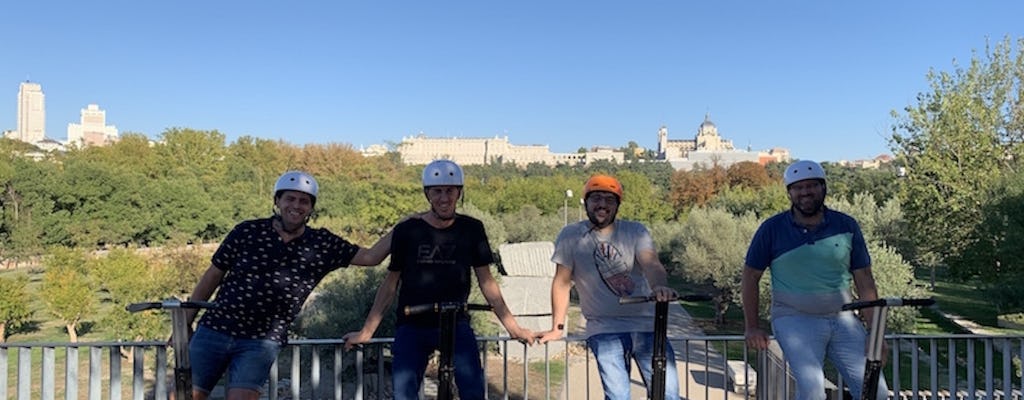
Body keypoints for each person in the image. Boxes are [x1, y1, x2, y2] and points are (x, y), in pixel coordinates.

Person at [185, 170, 396, 400]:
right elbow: (212, 276)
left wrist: (403, 227)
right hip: (215, 329)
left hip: (261, 341)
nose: (296, 205)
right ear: (277, 201)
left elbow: (370, 257)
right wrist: (185, 322)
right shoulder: (247, 231)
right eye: (290, 198)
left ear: (311, 208)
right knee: (186, 396)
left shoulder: (322, 244)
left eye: (304, 201)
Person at [342, 159, 535, 400]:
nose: (444, 198)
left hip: (456, 324)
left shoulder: (472, 229)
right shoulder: (408, 230)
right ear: (427, 194)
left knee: (474, 391)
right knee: (403, 394)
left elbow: (487, 282)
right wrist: (367, 331)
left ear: (459, 193)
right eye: (437, 191)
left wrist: (512, 327)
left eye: (450, 191)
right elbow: (391, 284)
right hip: (412, 323)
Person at [741, 159, 888, 400]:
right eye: (798, 187)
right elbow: (750, 277)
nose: (805, 192)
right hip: (794, 319)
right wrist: (752, 326)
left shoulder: (846, 225)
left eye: (811, 186)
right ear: (789, 192)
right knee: (812, 392)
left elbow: (865, 280)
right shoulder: (772, 229)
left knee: (877, 392)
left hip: (844, 321)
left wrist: (875, 333)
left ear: (823, 188)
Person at [537, 174, 680, 400]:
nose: (602, 204)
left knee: (668, 394)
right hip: (605, 328)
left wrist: (660, 287)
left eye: (609, 200)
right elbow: (562, 283)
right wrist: (557, 327)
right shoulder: (571, 236)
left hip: (647, 327)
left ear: (617, 205)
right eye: (596, 199)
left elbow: (651, 264)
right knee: (618, 395)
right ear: (586, 202)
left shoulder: (636, 231)